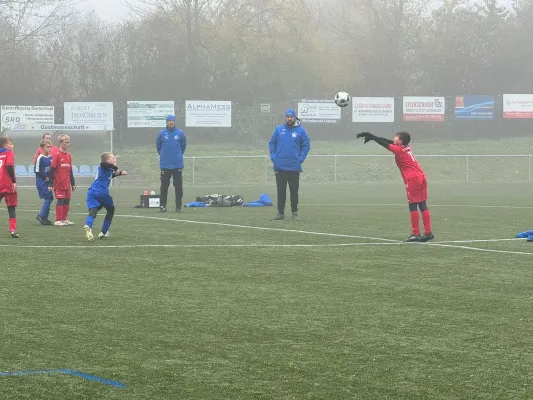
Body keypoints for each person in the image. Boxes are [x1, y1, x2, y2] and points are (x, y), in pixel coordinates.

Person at [356, 131, 434, 242]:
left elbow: (385, 144)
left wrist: (371, 136)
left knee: (413, 206)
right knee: (422, 205)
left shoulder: (399, 150)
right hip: (421, 176)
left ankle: (416, 233)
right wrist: (373, 137)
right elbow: (388, 141)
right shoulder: (406, 148)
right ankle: (428, 232)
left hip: (413, 179)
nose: (394, 139)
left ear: (400, 141)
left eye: (396, 137)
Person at [268, 108, 311, 221]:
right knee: (281, 192)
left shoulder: (301, 131)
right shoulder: (278, 129)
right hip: (280, 166)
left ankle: (294, 213)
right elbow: (271, 143)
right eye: (287, 116)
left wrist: (300, 159)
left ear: (294, 117)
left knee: (294, 192)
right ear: (285, 118)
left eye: (291, 116)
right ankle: (280, 214)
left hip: (293, 167)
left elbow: (306, 145)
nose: (289, 118)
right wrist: (273, 157)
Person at [83, 152, 127, 242]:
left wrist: (120, 173)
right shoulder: (104, 165)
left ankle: (88, 225)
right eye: (113, 158)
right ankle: (104, 232)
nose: (115, 159)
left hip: (91, 192)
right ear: (108, 161)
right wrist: (115, 167)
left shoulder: (108, 170)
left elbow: (110, 176)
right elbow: (103, 163)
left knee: (94, 210)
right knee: (111, 210)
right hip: (101, 192)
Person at [156, 114, 186, 213]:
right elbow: (158, 147)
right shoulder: (161, 133)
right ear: (167, 122)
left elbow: (183, 146)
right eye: (169, 121)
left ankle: (178, 207)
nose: (171, 122)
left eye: (172, 120)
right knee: (164, 187)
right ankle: (162, 206)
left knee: (178, 187)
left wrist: (177, 155)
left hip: (177, 164)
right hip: (165, 165)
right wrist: (165, 156)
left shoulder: (180, 133)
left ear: (175, 122)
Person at [48, 134, 76, 226]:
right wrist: (51, 183)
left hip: (66, 183)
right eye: (66, 142)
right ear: (60, 143)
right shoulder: (56, 155)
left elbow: (70, 170)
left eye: (69, 142)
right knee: (61, 200)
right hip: (59, 182)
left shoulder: (69, 155)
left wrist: (73, 183)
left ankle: (64, 219)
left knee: (67, 200)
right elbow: (52, 170)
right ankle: (58, 220)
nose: (68, 144)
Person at [0, 136, 19, 238]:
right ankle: (12, 230)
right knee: (11, 208)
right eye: (11, 143)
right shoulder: (9, 153)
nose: (13, 146)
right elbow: (9, 166)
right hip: (8, 184)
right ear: (5, 145)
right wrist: (14, 181)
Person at [35, 139, 54, 225]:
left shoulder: (51, 157)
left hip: (48, 181)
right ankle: (41, 215)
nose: (49, 149)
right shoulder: (40, 158)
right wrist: (44, 177)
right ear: (42, 148)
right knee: (48, 198)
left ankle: (44, 218)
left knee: (50, 198)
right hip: (41, 181)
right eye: (47, 147)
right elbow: (36, 170)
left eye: (50, 147)